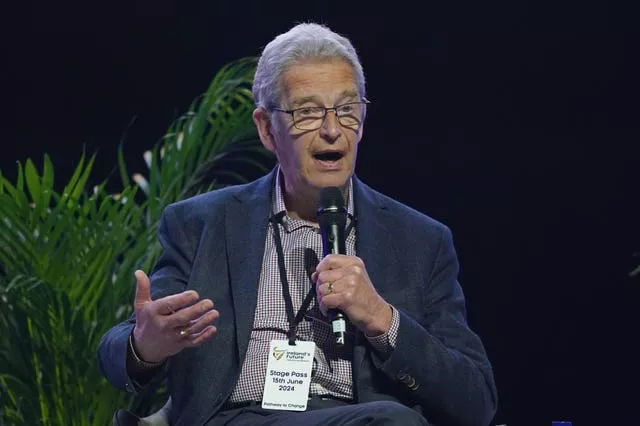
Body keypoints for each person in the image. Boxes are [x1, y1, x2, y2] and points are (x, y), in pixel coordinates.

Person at [98, 22, 498, 426]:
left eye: (346, 110)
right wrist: (144, 345)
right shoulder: (200, 223)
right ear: (267, 129)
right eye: (307, 113)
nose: (331, 130)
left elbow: (476, 400)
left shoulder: (420, 241)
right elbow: (118, 353)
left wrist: (381, 319)